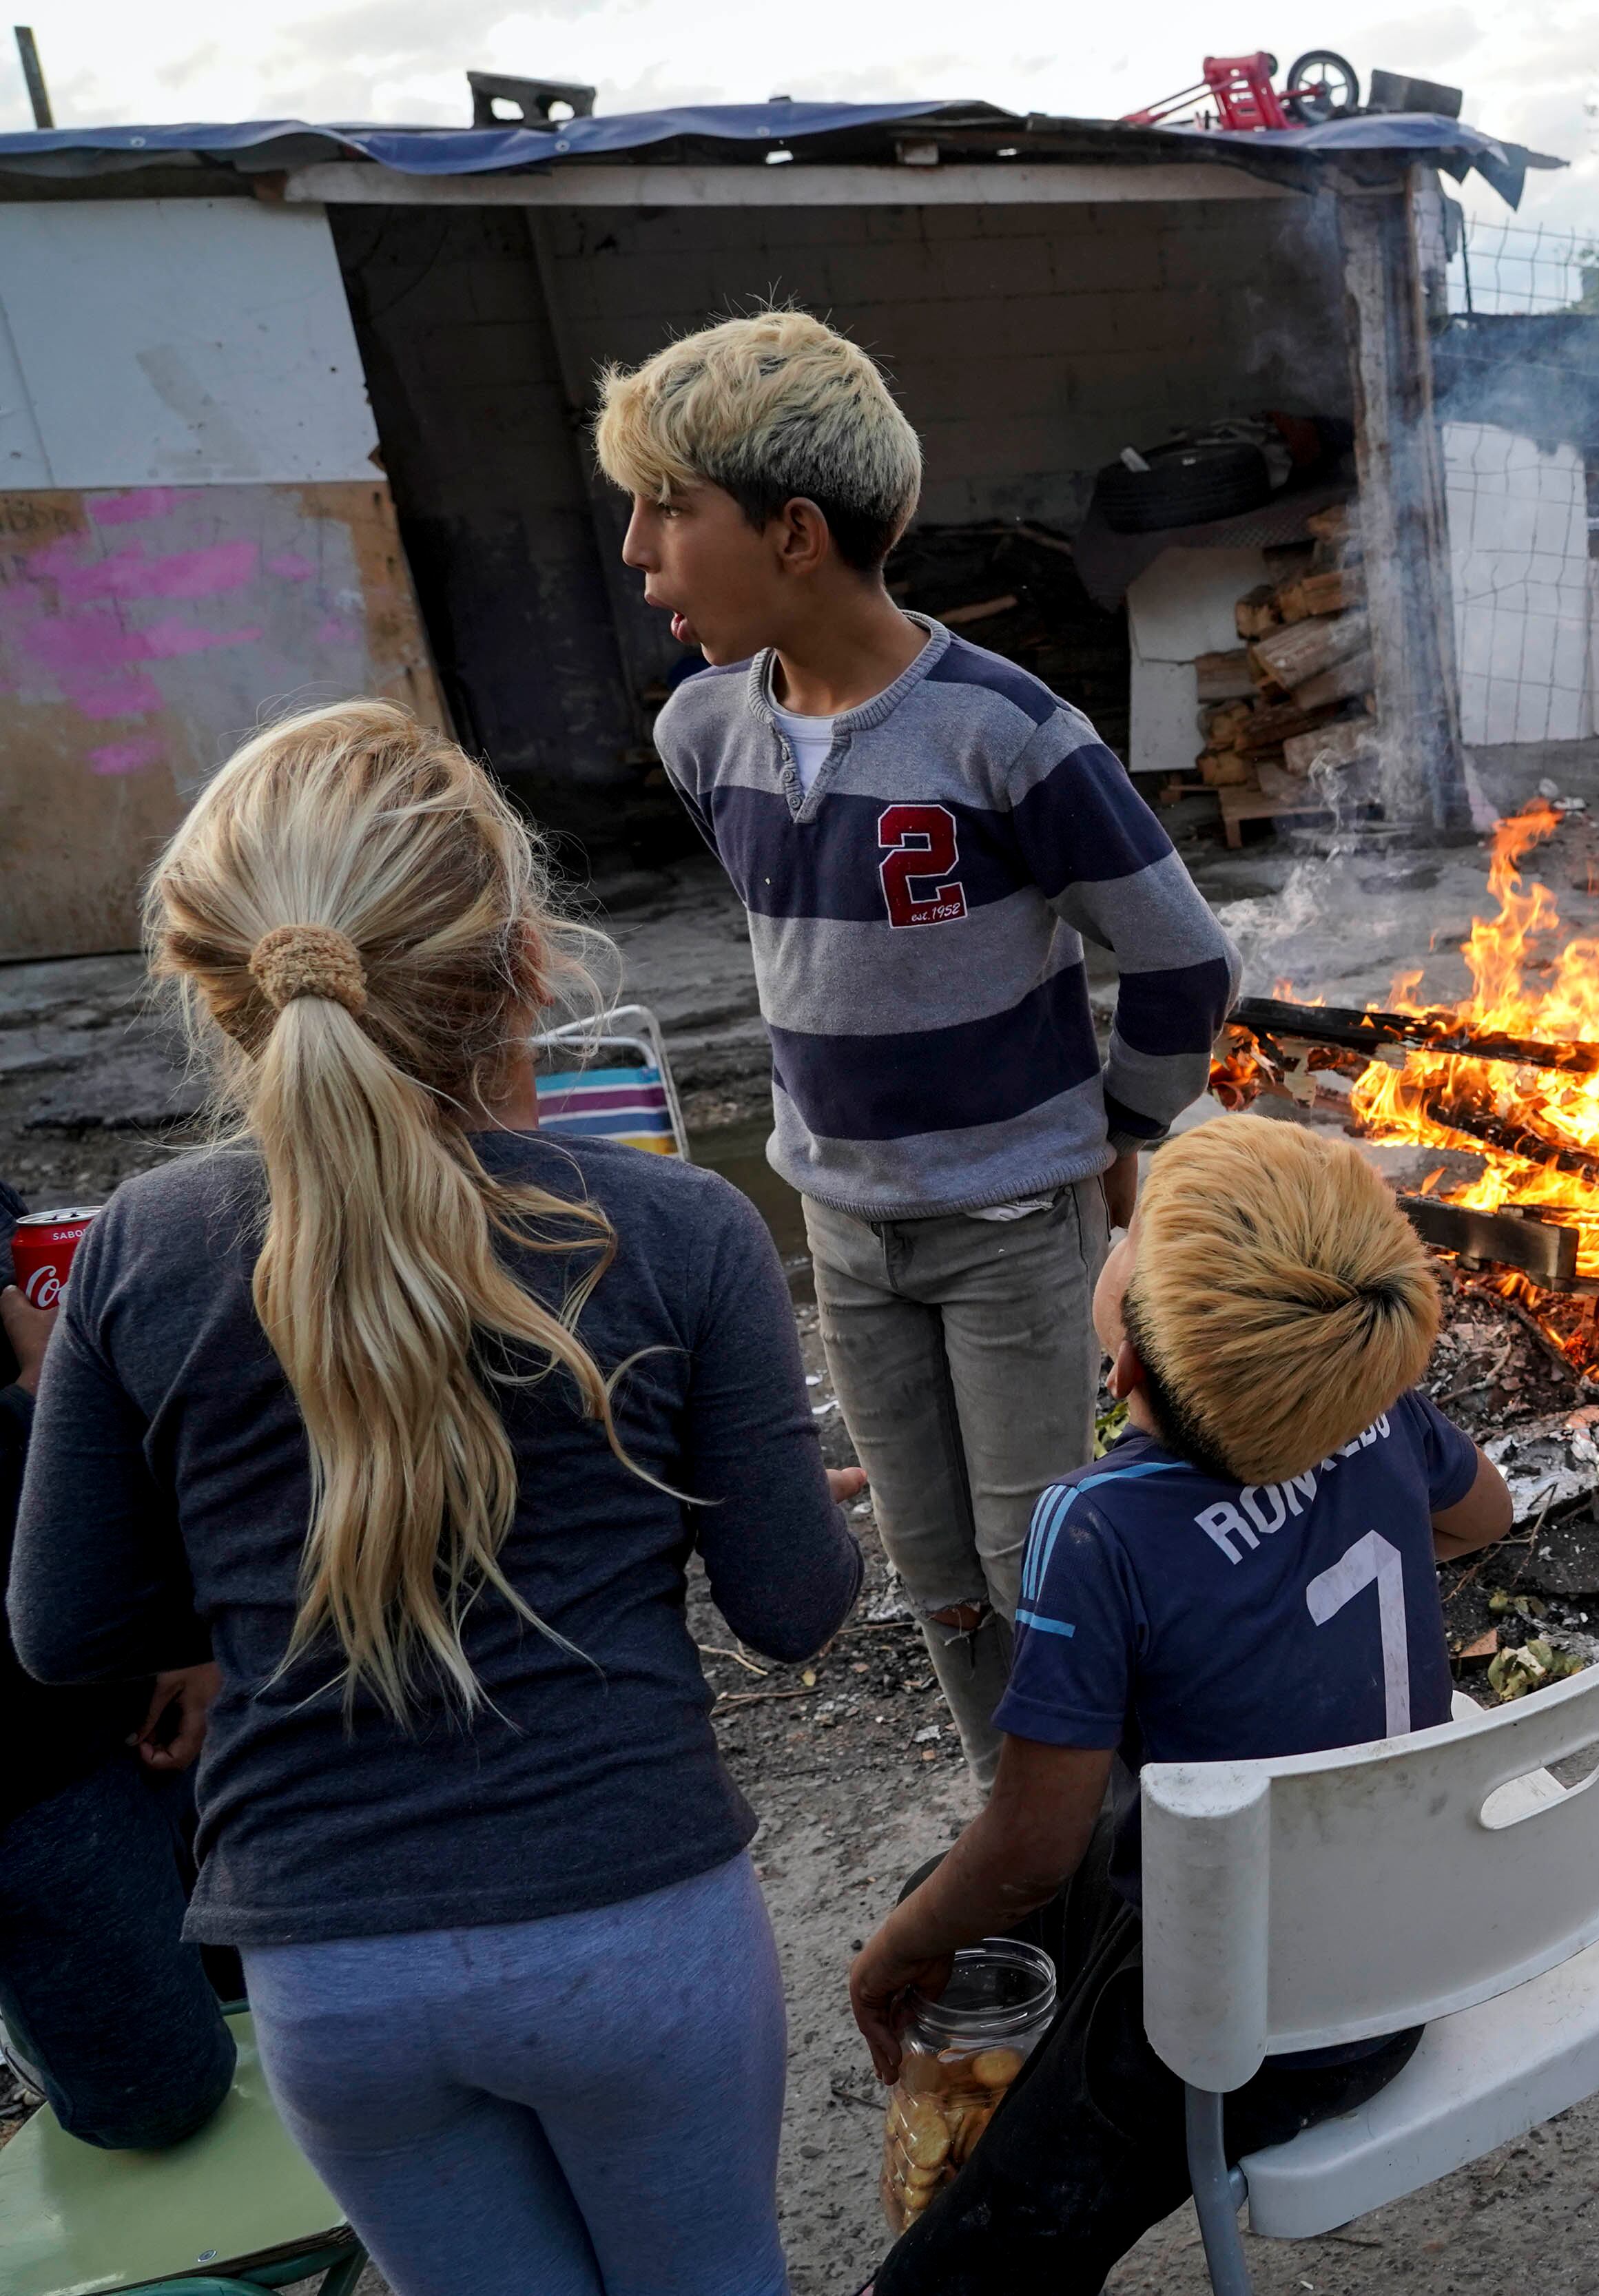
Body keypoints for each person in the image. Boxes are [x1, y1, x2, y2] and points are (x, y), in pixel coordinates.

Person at [10, 701, 864, 2292]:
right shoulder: (681, 1232)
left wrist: (250, 1549)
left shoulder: (141, 1243)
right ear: (523, 963)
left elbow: (66, 1627)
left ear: (223, 989)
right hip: (637, 1936)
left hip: (333, 1972)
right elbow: (794, 1605)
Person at [595, 308, 1239, 1788]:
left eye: (668, 511)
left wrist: (1115, 1132)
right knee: (933, 1569)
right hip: (845, 1230)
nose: (637, 550)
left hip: (1015, 1228)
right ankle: (1008, 1829)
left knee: (1045, 1562)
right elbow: (801, 942)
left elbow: (1181, 955)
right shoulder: (704, 731)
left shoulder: (1004, 734)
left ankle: (1131, 1842)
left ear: (797, 532)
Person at [845, 1115, 1514, 2293]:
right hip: (1411, 1933)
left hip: (1257, 2016)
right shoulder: (1370, 1404)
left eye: (1132, 1238)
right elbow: (1484, 1519)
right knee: (960, 1924)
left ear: (1131, 1364)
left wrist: (884, 1956)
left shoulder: (1099, 1526)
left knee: (958, 2256)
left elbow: (1032, 1850)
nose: (1116, 1230)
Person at [0, 1197, 233, 2152]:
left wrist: (182, 1622)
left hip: (135, 1682)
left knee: (268, 2005)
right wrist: (35, 1399)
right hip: (25, 1774)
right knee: (162, 2107)